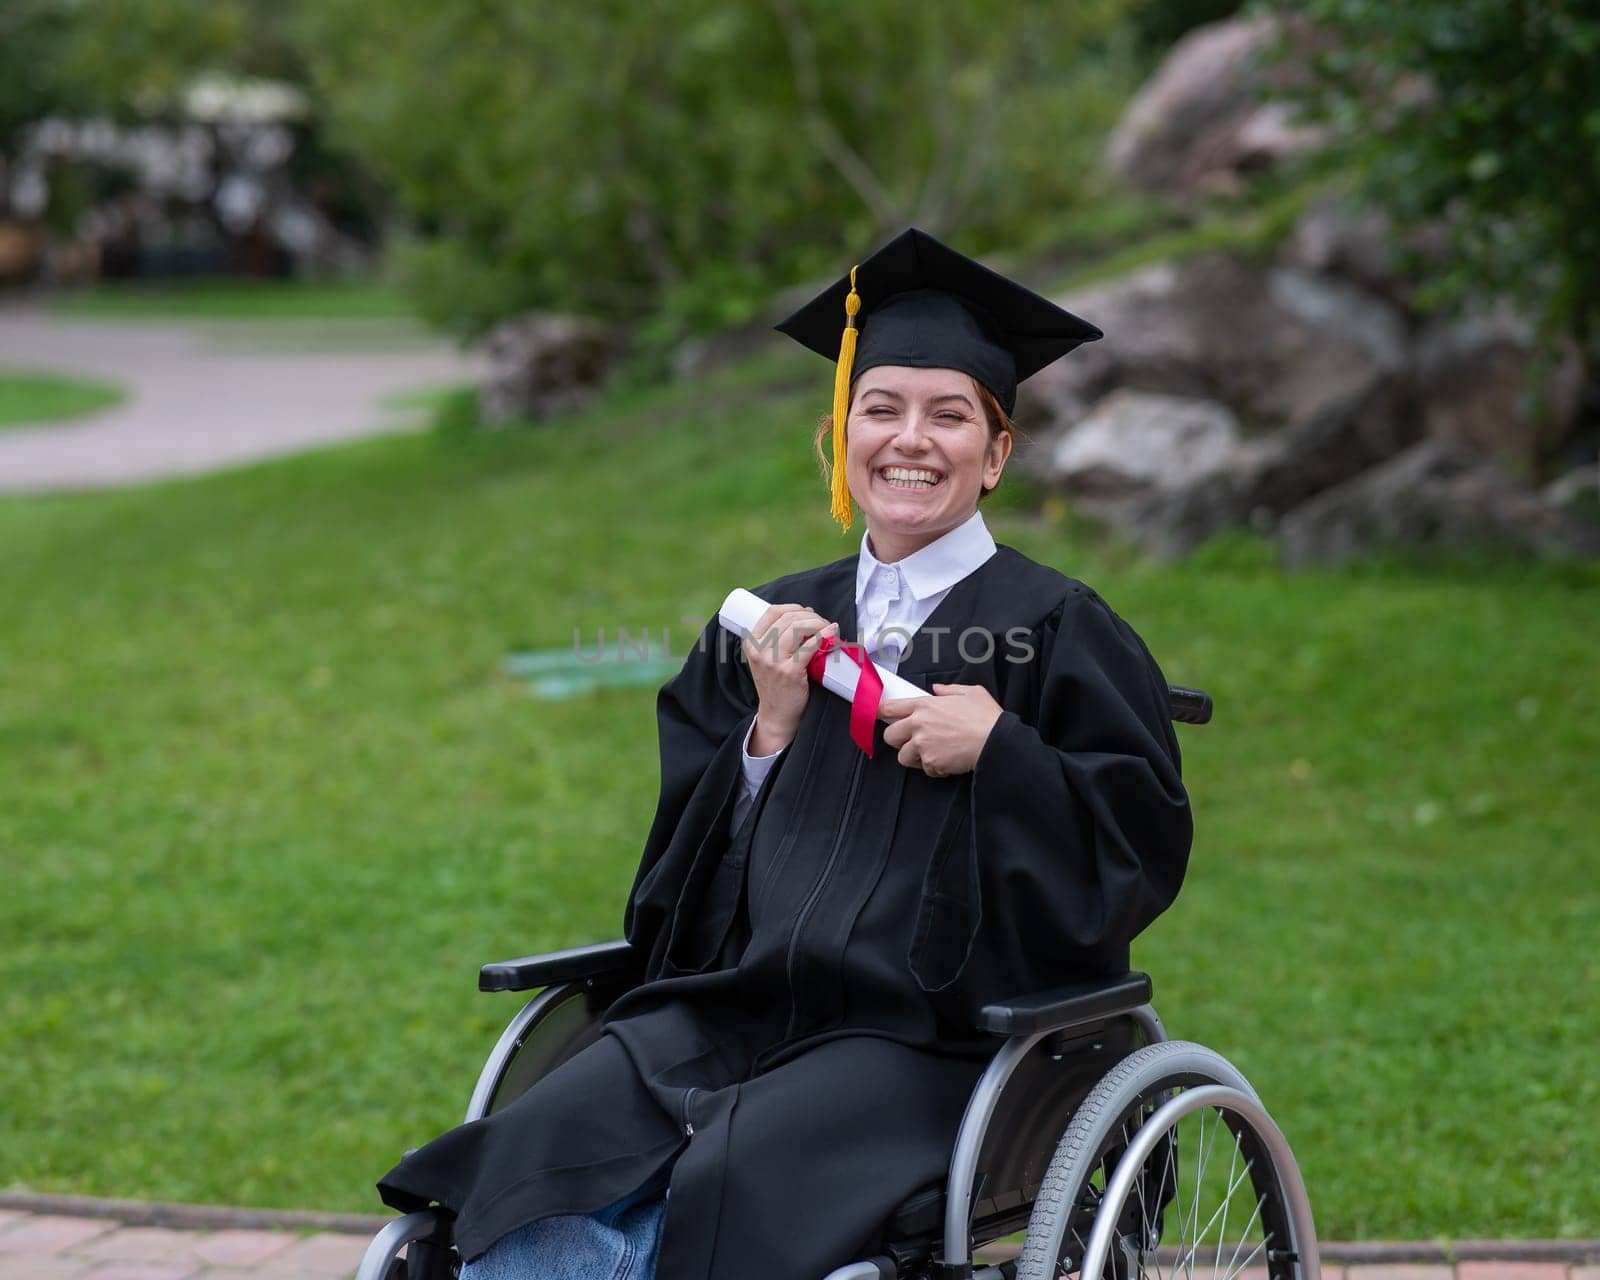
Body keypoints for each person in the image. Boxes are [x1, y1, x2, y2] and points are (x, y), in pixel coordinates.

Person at [377, 227, 1193, 1280]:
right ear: (838, 437)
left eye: (950, 415)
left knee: (733, 1181)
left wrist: (1001, 750)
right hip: (736, 1006)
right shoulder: (773, 621)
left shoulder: (1058, 630)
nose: (911, 439)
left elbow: (1134, 850)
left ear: (995, 455)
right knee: (542, 1148)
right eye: (881, 408)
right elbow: (674, 887)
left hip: (925, 1042)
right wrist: (767, 730)